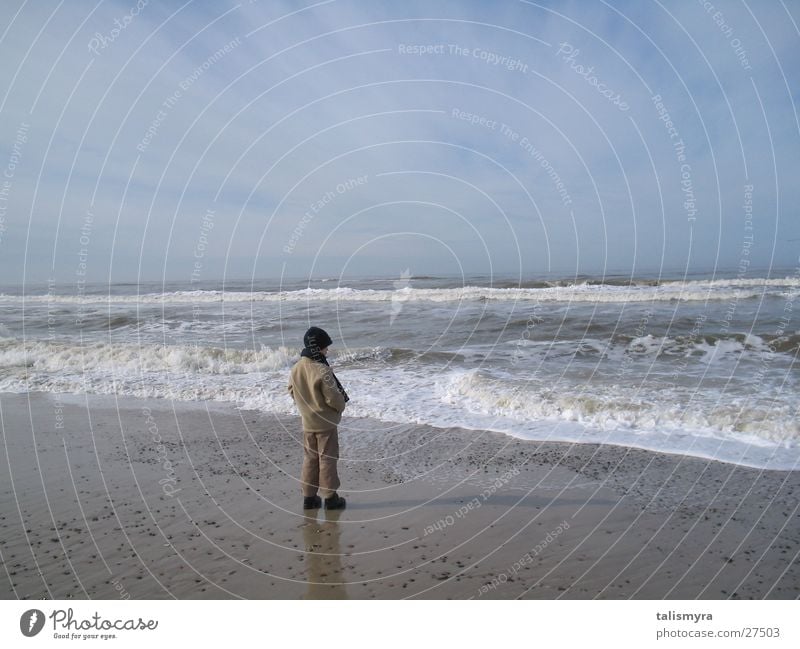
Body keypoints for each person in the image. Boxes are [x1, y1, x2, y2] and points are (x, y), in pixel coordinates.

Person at [288, 326, 349, 510]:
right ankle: (330, 498)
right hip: (326, 424)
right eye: (325, 347)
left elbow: (291, 391)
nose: (327, 350)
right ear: (318, 348)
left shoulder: (296, 368)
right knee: (327, 459)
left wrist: (305, 406)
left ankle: (309, 497)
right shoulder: (322, 370)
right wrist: (339, 409)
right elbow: (335, 398)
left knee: (310, 459)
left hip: (307, 422)